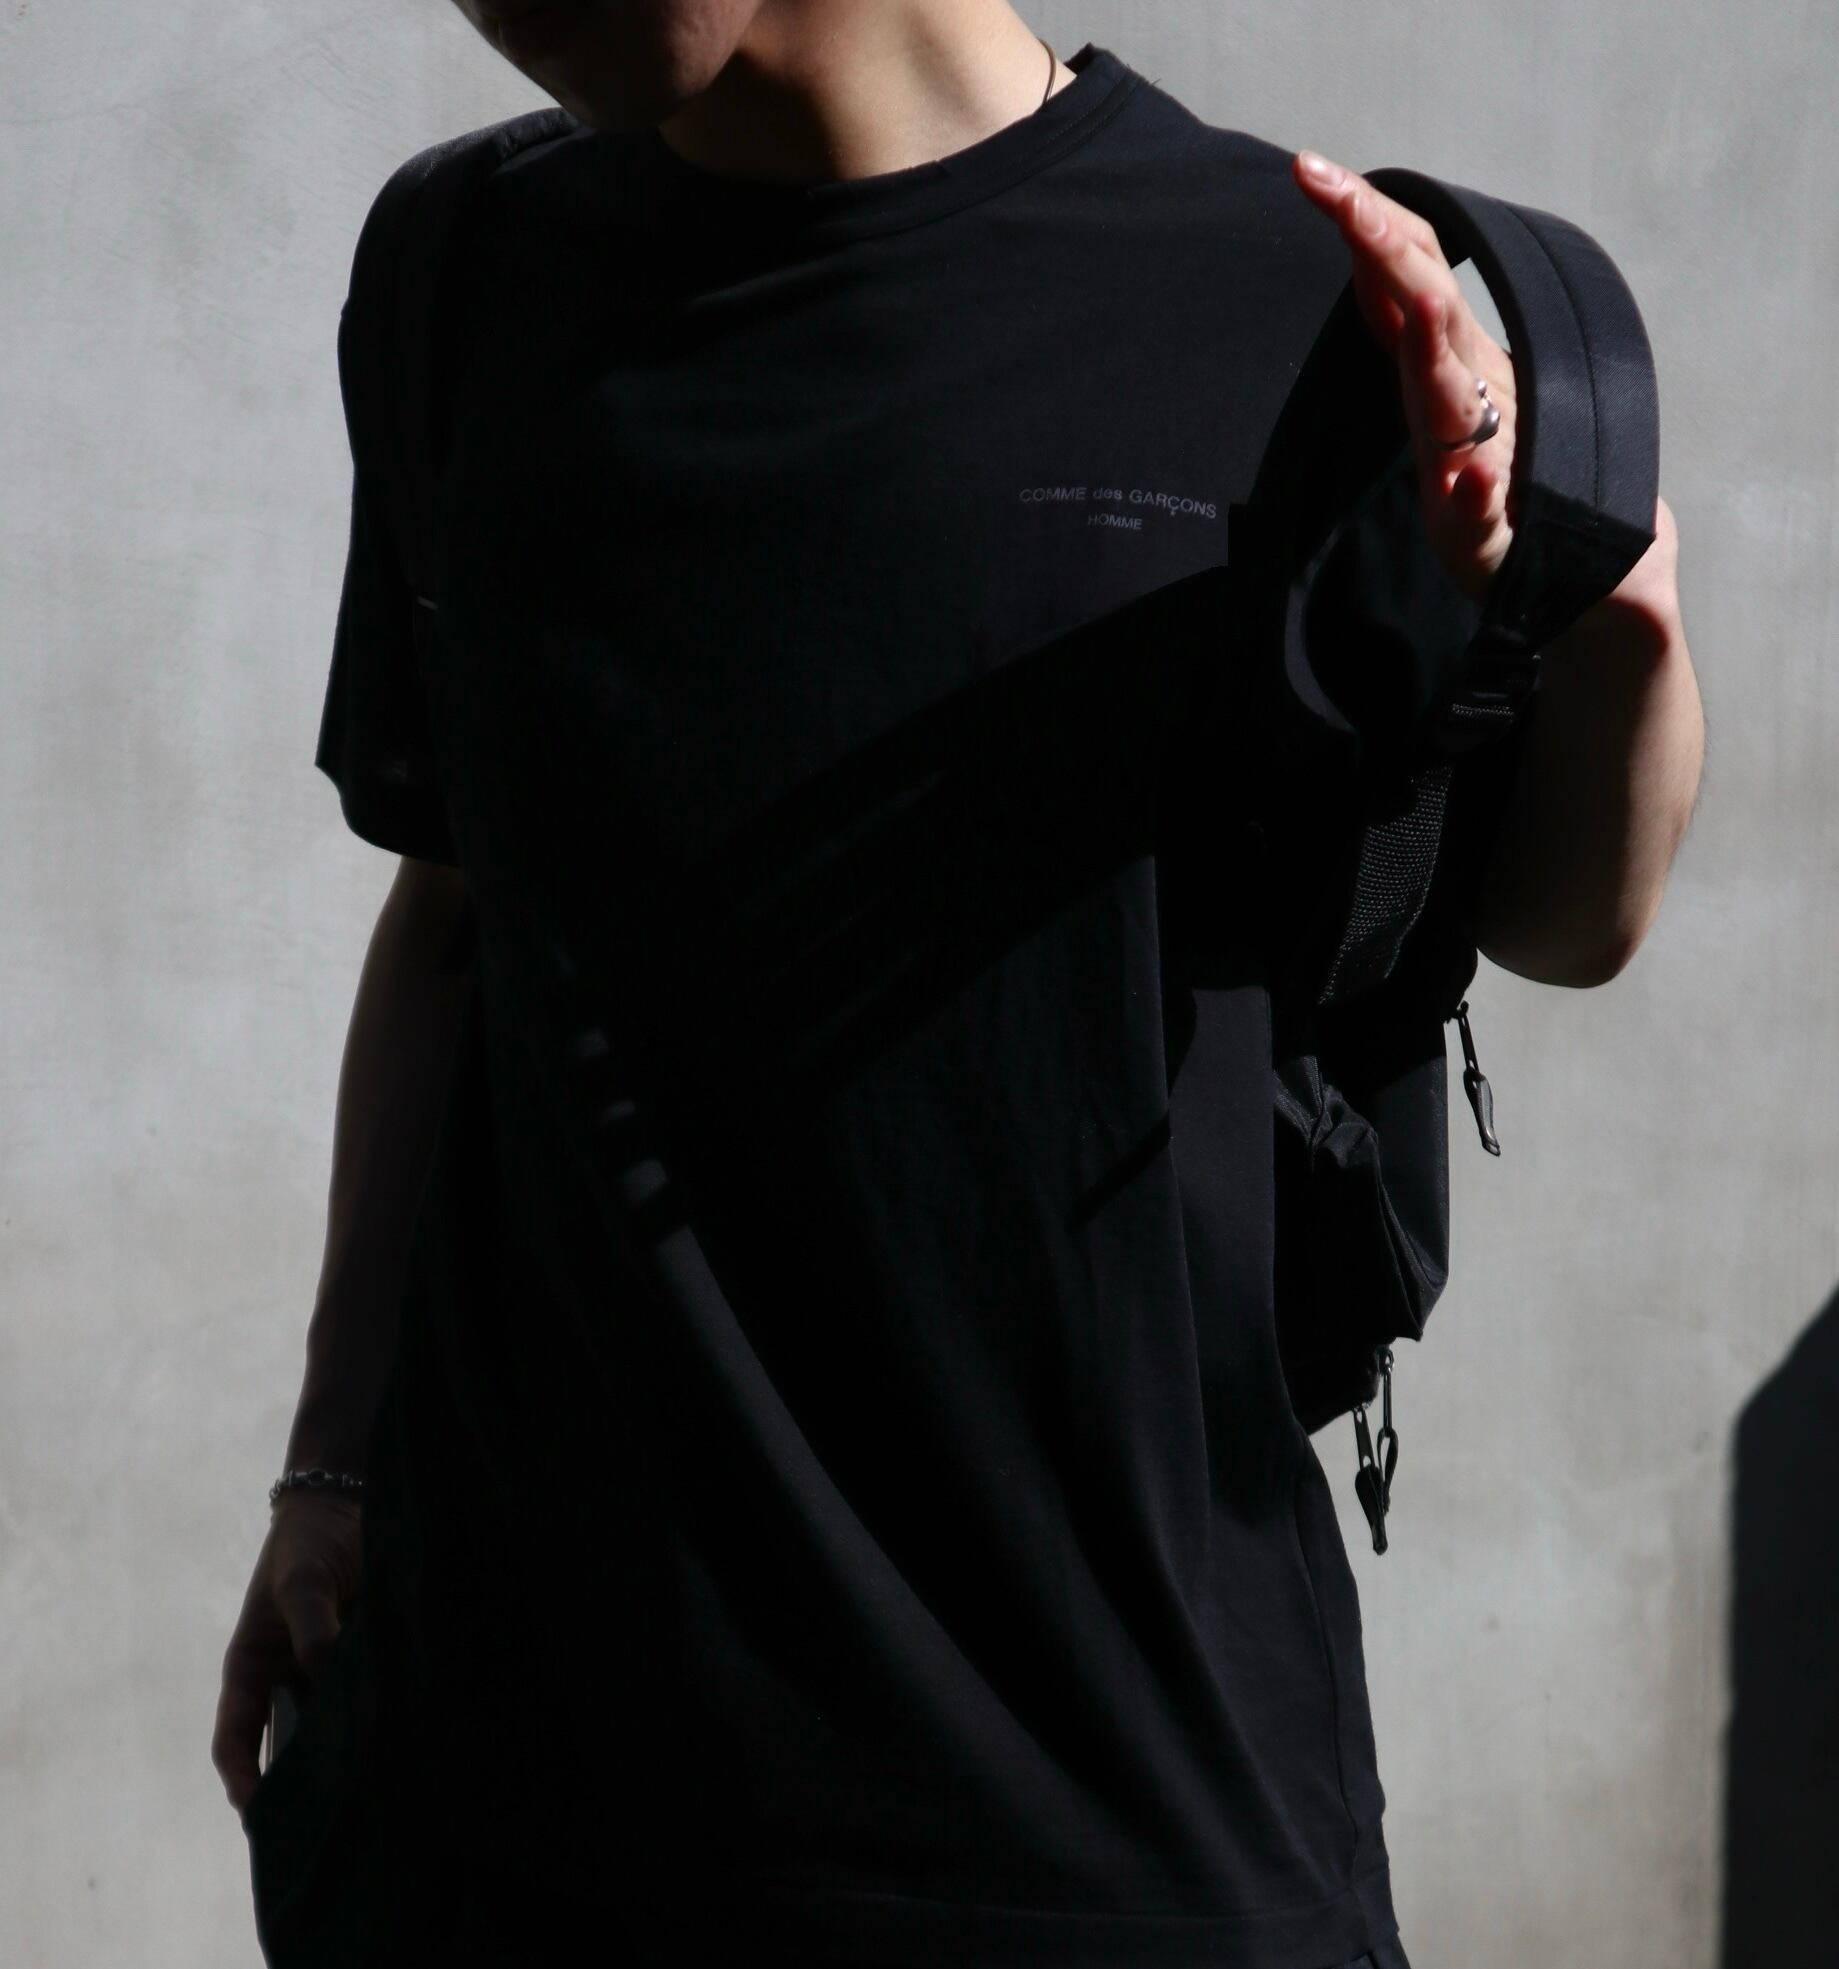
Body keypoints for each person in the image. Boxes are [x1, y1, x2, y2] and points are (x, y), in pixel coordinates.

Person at [212, 3, 1663, 1963]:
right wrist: (331, 1467)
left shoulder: (1293, 301)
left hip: (1106, 1813)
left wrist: (1614, 618)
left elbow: (1565, 920)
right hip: (515, 1802)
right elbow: (466, 905)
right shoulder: (465, 272)